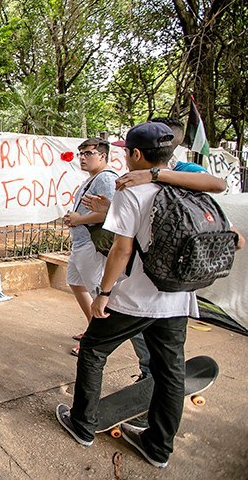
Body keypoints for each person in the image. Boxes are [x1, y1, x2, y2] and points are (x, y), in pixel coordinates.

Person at [55, 122, 243, 468]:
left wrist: (104, 293)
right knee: (170, 371)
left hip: (136, 297)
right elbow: (219, 184)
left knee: (94, 351)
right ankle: (158, 448)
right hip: (177, 297)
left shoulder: (131, 189)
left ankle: (82, 424)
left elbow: (121, 250)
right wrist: (159, 175)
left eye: (126, 151)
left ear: (135, 155)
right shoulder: (189, 185)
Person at [62, 139, 117, 359]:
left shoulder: (105, 178)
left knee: (96, 291)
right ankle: (92, 327)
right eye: (80, 153)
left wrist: (80, 219)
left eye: (88, 153)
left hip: (92, 243)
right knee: (75, 281)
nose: (82, 158)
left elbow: (110, 213)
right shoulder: (93, 179)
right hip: (82, 241)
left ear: (102, 156)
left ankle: (97, 340)